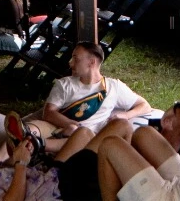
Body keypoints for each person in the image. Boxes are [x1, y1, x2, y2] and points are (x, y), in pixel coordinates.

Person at [9, 40, 154, 157]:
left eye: (75, 58)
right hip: (59, 129)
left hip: (87, 140)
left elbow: (144, 105)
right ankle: (20, 143)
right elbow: (49, 113)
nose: (70, 63)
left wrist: (125, 114)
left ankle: (36, 145)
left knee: (81, 136)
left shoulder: (113, 87)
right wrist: (71, 124)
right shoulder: (64, 84)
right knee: (33, 128)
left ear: (91, 62)